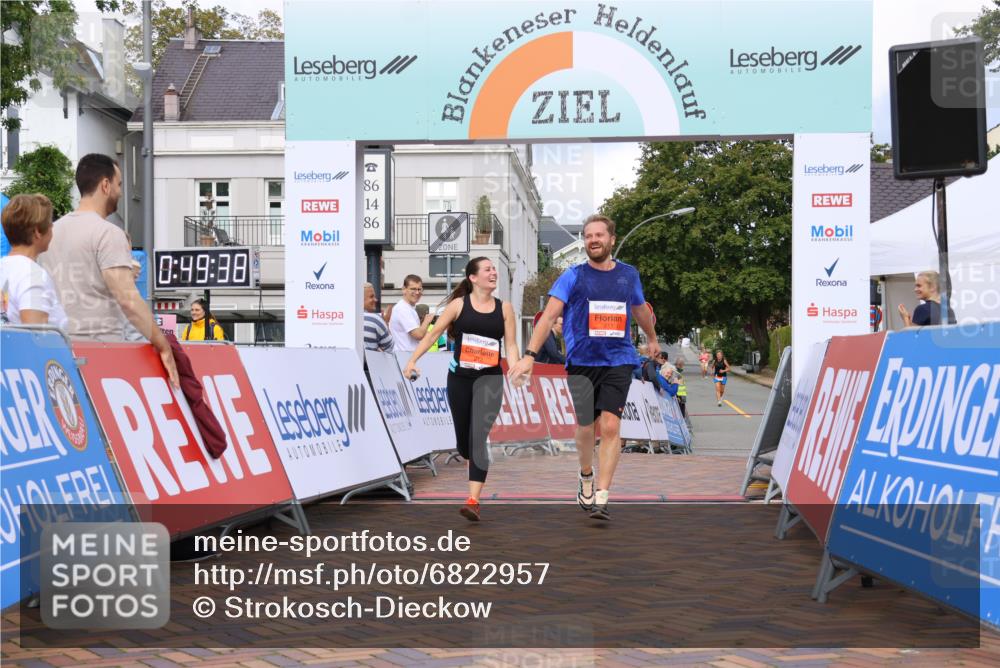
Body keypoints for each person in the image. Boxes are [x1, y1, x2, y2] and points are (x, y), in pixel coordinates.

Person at [508, 214, 658, 521]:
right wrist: (528, 355)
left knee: (612, 426)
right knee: (585, 426)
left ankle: (602, 495)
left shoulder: (628, 276)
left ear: (611, 240)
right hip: (581, 361)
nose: (593, 240)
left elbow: (640, 309)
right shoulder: (573, 276)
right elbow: (549, 316)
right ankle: (586, 474)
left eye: (599, 235)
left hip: (618, 359)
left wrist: (652, 338)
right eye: (588, 236)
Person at [39, 153, 178, 387]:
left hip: (58, 355)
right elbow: (128, 300)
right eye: (119, 184)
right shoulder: (108, 233)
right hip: (103, 353)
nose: (121, 192)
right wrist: (163, 344)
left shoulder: (50, 233)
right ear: (105, 185)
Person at [403, 257, 519, 521]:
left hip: (490, 380)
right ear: (473, 278)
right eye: (487, 269)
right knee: (464, 442)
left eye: (493, 269)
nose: (493, 273)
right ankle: (467, 456)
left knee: (478, 439)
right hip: (460, 379)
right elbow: (432, 335)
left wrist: (514, 367)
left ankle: (473, 500)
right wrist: (412, 360)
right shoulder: (459, 305)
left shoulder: (505, 309)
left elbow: (510, 345)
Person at [0, 194, 68, 329]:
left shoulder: (4, 267)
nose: (52, 228)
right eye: (50, 224)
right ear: (37, 232)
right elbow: (34, 338)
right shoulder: (32, 275)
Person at [389, 274, 434, 352]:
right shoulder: (402, 308)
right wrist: (427, 321)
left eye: (419, 289)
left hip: (406, 357)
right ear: (404, 289)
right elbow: (418, 335)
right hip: (404, 358)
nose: (417, 292)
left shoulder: (409, 308)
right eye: (413, 289)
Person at [363, 282, 394, 352]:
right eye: (371, 296)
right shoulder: (374, 319)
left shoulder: (342, 319)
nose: (375, 300)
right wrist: (385, 323)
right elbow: (390, 347)